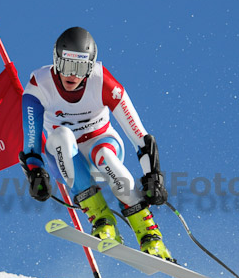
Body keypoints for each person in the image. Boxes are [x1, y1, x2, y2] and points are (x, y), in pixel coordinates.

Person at [18, 27, 174, 261]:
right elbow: (31, 144)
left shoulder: (103, 82)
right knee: (60, 135)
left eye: (80, 68)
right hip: (64, 159)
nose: (73, 75)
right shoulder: (39, 86)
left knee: (106, 157)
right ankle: (102, 219)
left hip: (101, 144)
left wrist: (153, 175)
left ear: (90, 67)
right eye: (67, 65)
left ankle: (149, 236)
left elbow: (140, 136)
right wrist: (35, 173)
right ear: (56, 61)